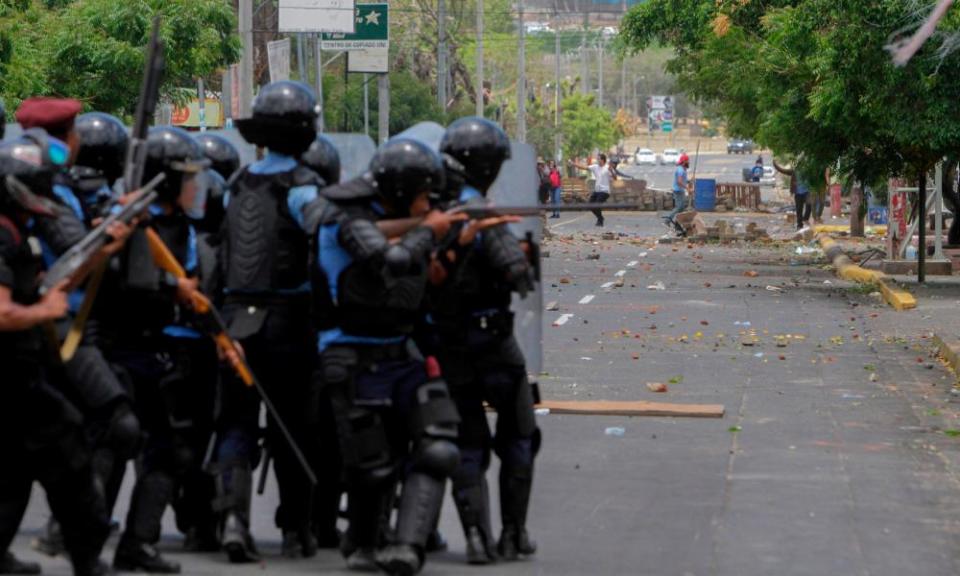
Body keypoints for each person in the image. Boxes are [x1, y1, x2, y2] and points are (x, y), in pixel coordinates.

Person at [313, 138, 462, 575]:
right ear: (399, 192)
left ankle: (407, 545)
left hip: (403, 354)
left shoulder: (407, 220)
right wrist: (427, 231)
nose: (425, 203)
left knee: (437, 447)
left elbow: (422, 275)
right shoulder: (346, 220)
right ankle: (363, 541)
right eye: (420, 194)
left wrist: (449, 236)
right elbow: (391, 260)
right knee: (373, 464)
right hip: (351, 355)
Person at [14, 101, 142, 564]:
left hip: (48, 326)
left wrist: (112, 223)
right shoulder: (50, 188)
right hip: (54, 326)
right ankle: (75, 535)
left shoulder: (49, 187)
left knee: (28, 442)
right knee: (113, 423)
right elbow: (72, 248)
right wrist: (112, 230)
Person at [214, 80, 327, 562]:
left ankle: (233, 524)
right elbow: (329, 241)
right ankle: (295, 530)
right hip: (289, 325)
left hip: (236, 322)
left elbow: (222, 255)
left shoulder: (235, 185)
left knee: (235, 425)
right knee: (293, 429)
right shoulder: (305, 188)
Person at [94, 126, 212, 574]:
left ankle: (138, 542)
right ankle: (84, 530)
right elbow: (132, 283)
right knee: (114, 440)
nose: (193, 188)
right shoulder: (122, 220)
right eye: (185, 178)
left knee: (168, 451)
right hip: (114, 349)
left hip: (155, 351)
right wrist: (173, 286)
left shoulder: (180, 229)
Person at [0, 134, 113, 576]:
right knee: (71, 460)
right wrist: (43, 311)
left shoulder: (18, 229)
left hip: (20, 377)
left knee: (11, 477)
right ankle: (86, 559)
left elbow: (51, 281)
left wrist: (101, 249)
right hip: (12, 381)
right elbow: (4, 311)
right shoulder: (3, 234)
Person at [435, 117, 540, 565]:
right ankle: (512, 534)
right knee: (519, 434)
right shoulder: (479, 212)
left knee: (467, 442)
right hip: (493, 344)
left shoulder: (434, 208)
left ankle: (476, 537)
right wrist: (523, 255)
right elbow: (517, 278)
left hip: (449, 346)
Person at [569, 154, 615, 227]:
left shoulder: (607, 168)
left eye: (599, 159)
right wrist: (573, 164)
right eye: (597, 159)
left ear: (603, 160)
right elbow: (584, 167)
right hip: (597, 191)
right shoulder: (595, 167)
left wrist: (611, 171)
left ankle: (600, 220)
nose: (597, 160)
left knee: (596, 205)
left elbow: (615, 178)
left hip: (605, 191)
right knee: (590, 205)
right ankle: (600, 218)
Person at [773, 160, 811, 229]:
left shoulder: (808, 172)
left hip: (807, 192)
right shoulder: (794, 172)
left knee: (809, 205)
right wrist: (775, 165)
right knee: (799, 209)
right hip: (798, 193)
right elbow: (783, 170)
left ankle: (805, 219)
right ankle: (799, 225)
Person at [664, 153, 691, 234]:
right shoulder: (680, 170)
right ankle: (667, 220)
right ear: (684, 161)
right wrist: (687, 188)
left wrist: (689, 181)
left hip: (681, 190)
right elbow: (679, 181)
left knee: (682, 209)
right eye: (687, 161)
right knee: (679, 207)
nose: (688, 163)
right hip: (678, 191)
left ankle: (677, 225)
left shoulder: (683, 169)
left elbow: (683, 180)